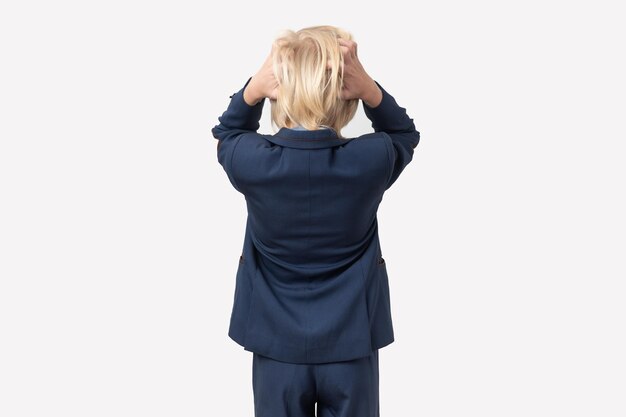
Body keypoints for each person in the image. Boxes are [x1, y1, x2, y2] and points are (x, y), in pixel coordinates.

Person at [211, 25, 420, 417]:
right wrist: (370, 89)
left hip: (276, 346)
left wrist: (252, 90)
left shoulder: (251, 161)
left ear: (279, 89)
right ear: (346, 94)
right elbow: (404, 132)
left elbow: (227, 130)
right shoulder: (370, 160)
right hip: (352, 342)